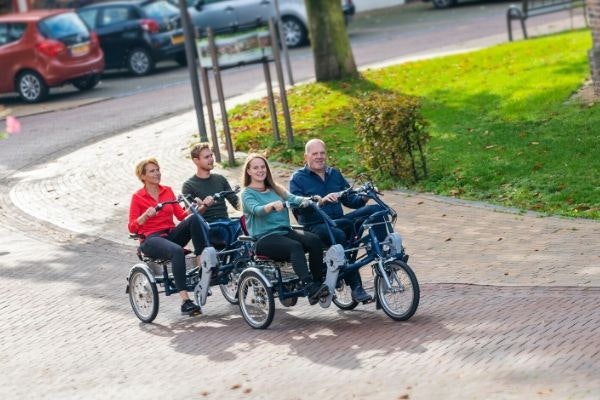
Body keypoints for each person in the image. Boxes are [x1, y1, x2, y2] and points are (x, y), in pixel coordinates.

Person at [290, 138, 387, 303]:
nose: (319, 157)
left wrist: (364, 196)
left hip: (339, 220)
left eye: (322, 153)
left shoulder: (334, 174)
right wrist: (319, 201)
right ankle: (356, 287)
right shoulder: (297, 179)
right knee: (340, 235)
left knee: (377, 211)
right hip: (315, 226)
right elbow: (297, 207)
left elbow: (350, 200)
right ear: (306, 156)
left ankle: (387, 256)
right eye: (315, 154)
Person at [240, 153, 329, 305]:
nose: (260, 170)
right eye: (255, 168)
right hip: (264, 239)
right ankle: (309, 286)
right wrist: (271, 206)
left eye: (262, 167)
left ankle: (317, 282)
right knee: (294, 247)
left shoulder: (275, 189)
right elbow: (257, 210)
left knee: (314, 240)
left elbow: (294, 199)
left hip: (285, 232)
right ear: (248, 171)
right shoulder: (246, 193)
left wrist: (310, 199)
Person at [128, 157, 206, 316]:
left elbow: (181, 215)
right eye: (152, 171)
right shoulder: (138, 197)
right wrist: (144, 217)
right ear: (143, 176)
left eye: (158, 170)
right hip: (151, 240)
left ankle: (202, 262)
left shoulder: (167, 191)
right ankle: (185, 301)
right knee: (177, 251)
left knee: (195, 219)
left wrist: (197, 208)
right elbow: (131, 226)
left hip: (169, 235)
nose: (157, 173)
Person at [182, 143, 240, 247]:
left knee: (242, 226)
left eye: (211, 155)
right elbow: (191, 216)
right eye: (206, 157)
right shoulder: (189, 185)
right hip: (207, 226)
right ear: (196, 160)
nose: (211, 159)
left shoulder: (220, 179)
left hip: (225, 223)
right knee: (232, 230)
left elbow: (237, 203)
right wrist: (205, 206)